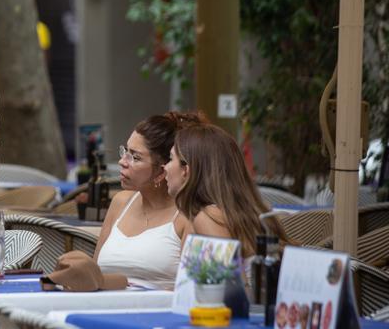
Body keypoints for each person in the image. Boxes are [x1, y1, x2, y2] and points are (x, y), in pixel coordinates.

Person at [93, 111, 204, 290]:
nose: (122, 161)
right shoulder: (121, 203)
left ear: (162, 171)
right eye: (125, 151)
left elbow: (191, 290)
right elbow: (95, 272)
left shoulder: (189, 215)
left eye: (135, 157)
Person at [163, 122, 286, 257]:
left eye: (170, 159)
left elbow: (225, 277)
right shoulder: (244, 212)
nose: (165, 167)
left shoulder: (208, 217)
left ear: (186, 170)